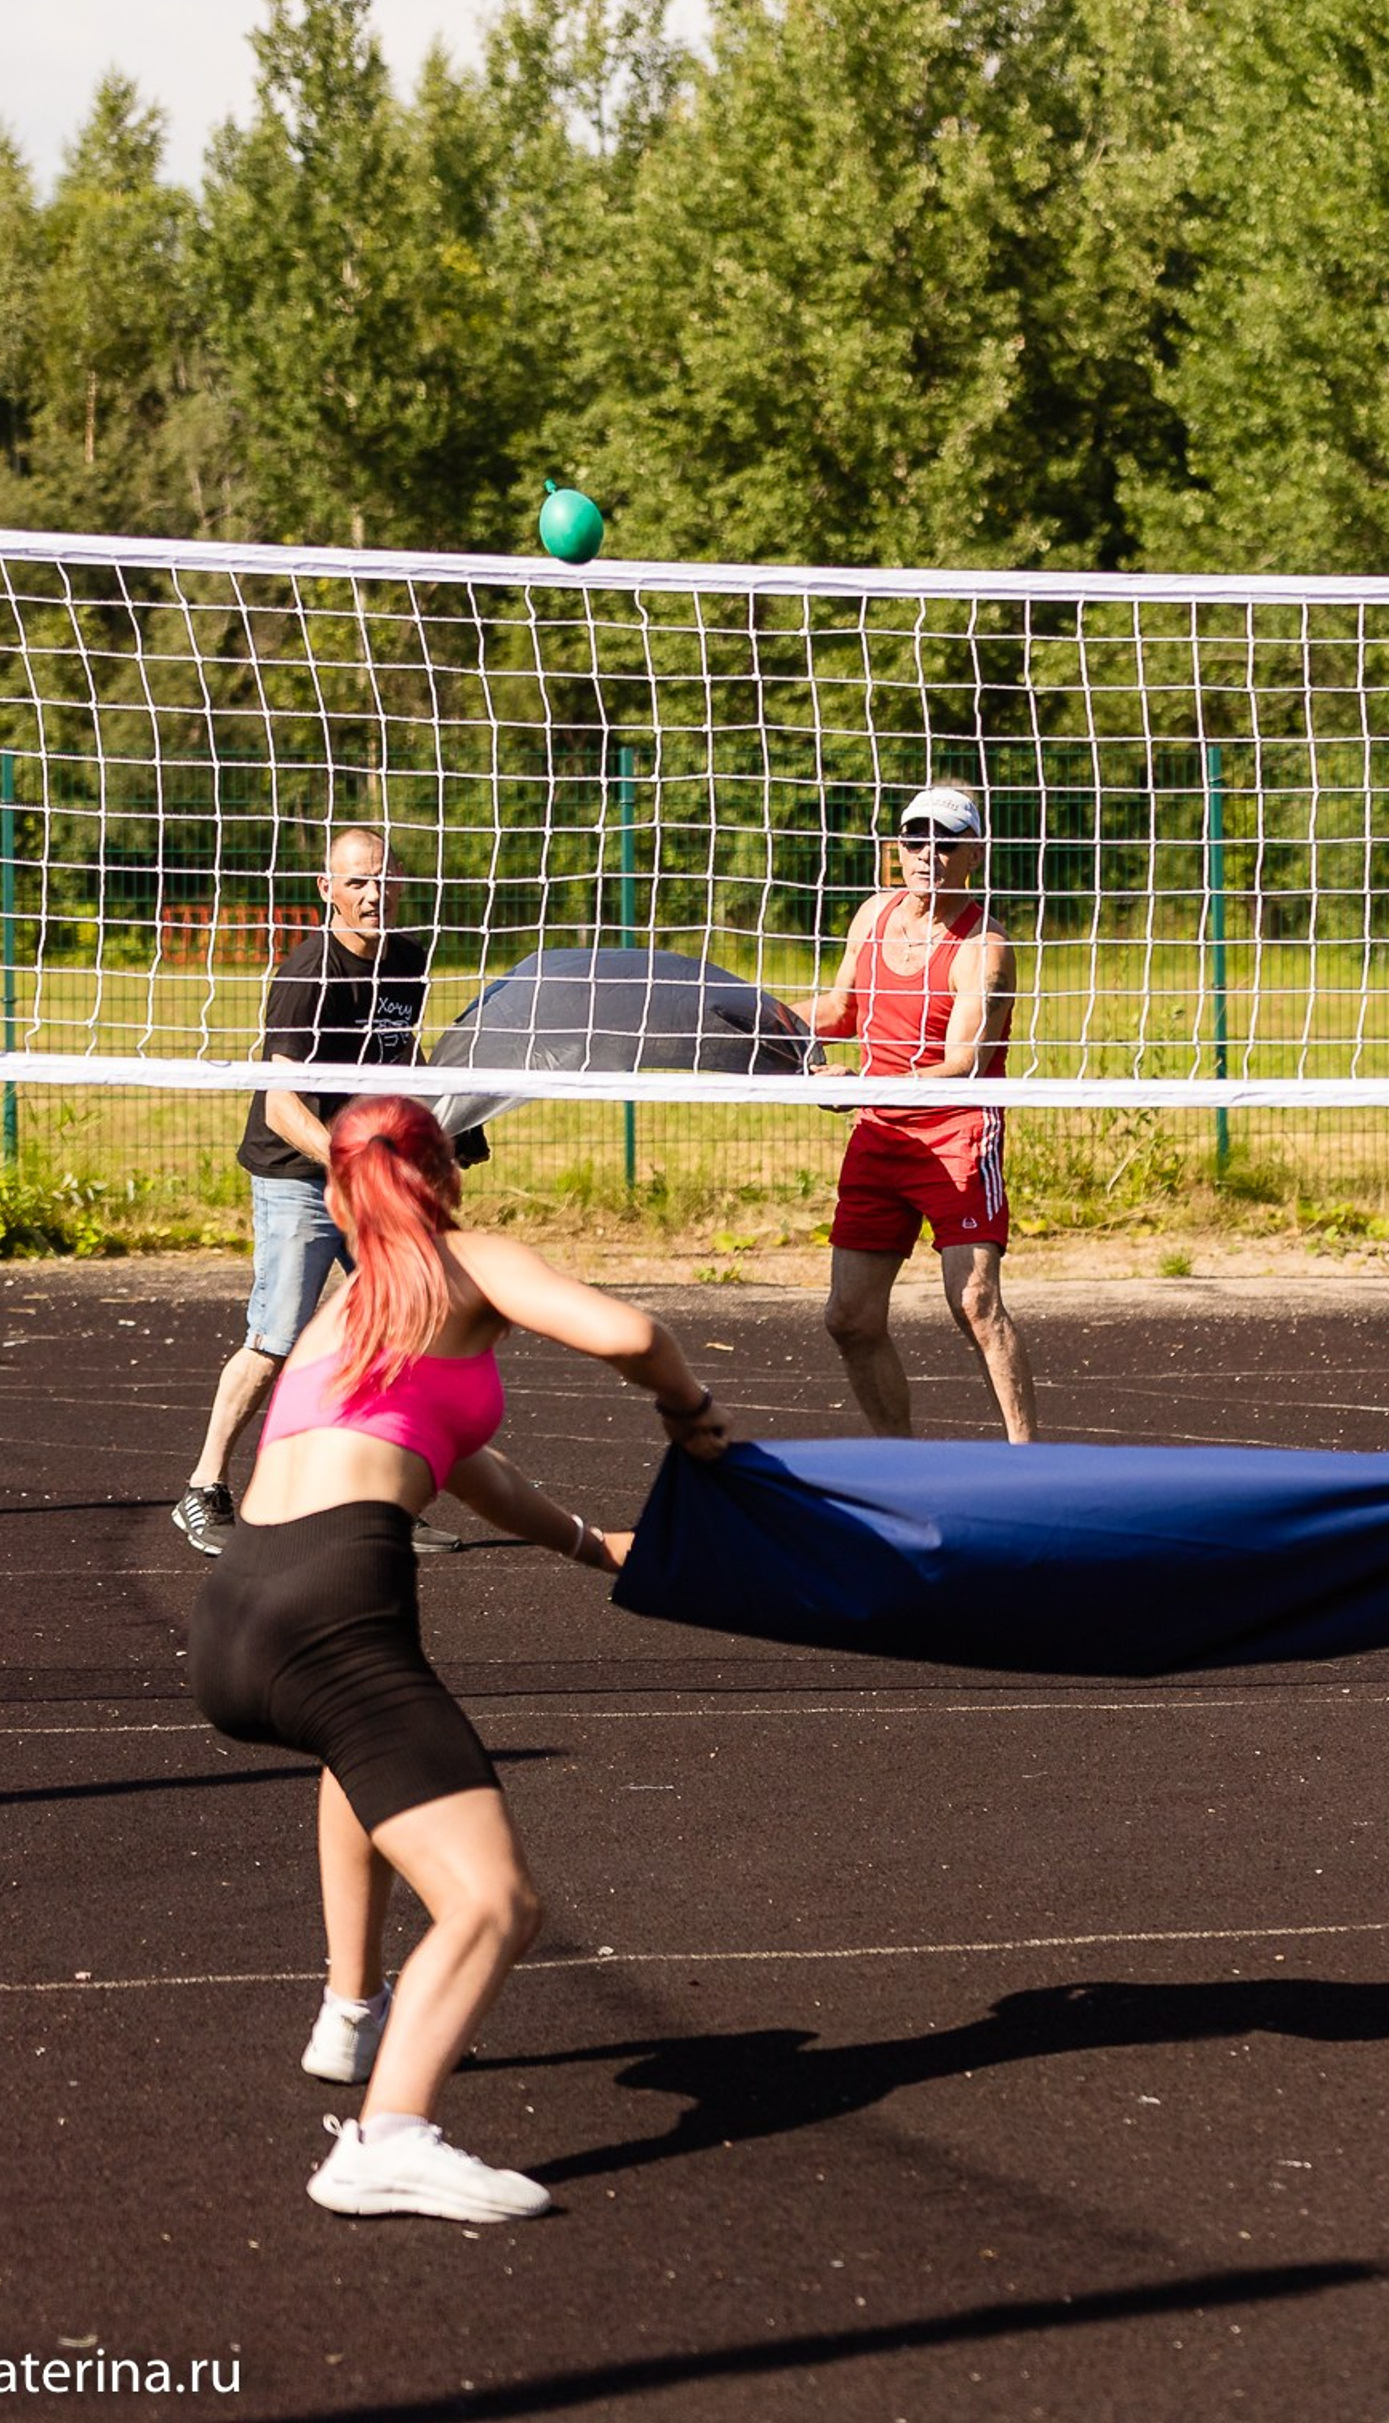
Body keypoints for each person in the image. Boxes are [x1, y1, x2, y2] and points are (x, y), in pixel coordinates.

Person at [187, 1094, 733, 2221]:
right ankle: (387, 2137)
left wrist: (593, 1546)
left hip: (236, 1612)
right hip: (332, 1610)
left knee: (358, 1755)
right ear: (451, 1176)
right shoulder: (465, 1259)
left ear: (338, 1192)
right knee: (493, 1901)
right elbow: (632, 1337)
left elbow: (471, 1468)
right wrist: (694, 1415)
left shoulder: (351, 1304)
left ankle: (351, 2014)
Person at [174, 827, 447, 1556]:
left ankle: (381, 1501)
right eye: (356, 881)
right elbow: (282, 1106)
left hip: (371, 1175)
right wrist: (352, 1160)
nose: (371, 893)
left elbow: (399, 1057)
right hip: (297, 1171)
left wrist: (434, 1124)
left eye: (382, 879)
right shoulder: (306, 973)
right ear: (327, 890)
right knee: (277, 1338)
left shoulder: (409, 962)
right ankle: (204, 1488)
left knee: (403, 1331)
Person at [803, 783, 1036, 1442]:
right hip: (879, 1131)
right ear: (896, 848)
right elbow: (841, 1010)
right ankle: (899, 1460)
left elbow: (962, 1064)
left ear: (974, 854)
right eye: (915, 838)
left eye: (946, 841)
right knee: (849, 1317)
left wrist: (865, 1086)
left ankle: (1031, 1464)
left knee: (975, 1303)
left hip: (957, 1129)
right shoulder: (873, 916)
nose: (928, 852)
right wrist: (758, 1019)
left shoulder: (983, 947)